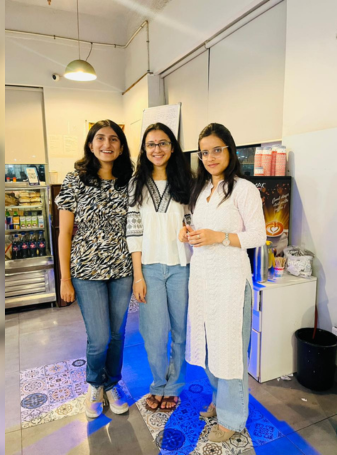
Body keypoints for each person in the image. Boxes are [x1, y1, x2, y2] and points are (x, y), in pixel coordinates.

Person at [179, 123, 266, 442]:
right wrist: (188, 233)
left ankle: (232, 418)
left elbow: (258, 236)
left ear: (230, 150)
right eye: (204, 152)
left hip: (230, 282)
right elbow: (199, 229)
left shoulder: (244, 189)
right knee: (208, 344)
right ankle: (219, 399)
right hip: (203, 279)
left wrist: (220, 237)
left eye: (217, 150)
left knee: (229, 350)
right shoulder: (201, 190)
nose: (210, 157)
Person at [56, 119, 134, 419]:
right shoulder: (75, 179)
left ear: (121, 146)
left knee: (117, 334)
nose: (107, 144)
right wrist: (64, 278)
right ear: (90, 145)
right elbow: (65, 232)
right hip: (86, 271)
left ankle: (112, 383)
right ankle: (94, 384)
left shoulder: (129, 181)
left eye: (114, 139)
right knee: (99, 337)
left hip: (122, 268)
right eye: (100, 138)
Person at [127, 122, 192, 412]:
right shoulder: (136, 184)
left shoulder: (187, 181)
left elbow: (193, 219)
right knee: (153, 334)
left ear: (173, 147)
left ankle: (173, 386)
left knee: (180, 332)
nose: (157, 149)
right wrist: (137, 276)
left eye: (163, 143)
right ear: (144, 149)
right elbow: (133, 230)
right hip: (150, 268)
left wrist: (190, 230)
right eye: (151, 144)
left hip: (182, 266)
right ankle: (158, 383)